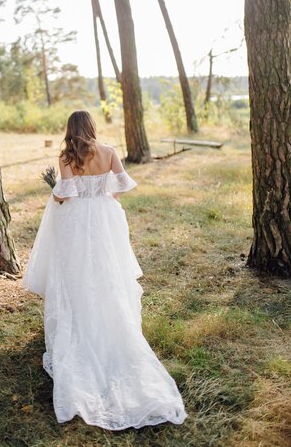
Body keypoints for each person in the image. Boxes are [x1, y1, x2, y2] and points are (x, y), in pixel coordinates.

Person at [21, 110, 187, 430]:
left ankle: (83, 316)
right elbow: (124, 183)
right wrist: (107, 195)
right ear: (92, 127)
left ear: (71, 129)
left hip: (77, 220)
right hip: (105, 215)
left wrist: (53, 192)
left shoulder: (68, 157)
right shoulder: (109, 152)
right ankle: (111, 314)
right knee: (108, 267)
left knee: (79, 271)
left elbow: (64, 194)